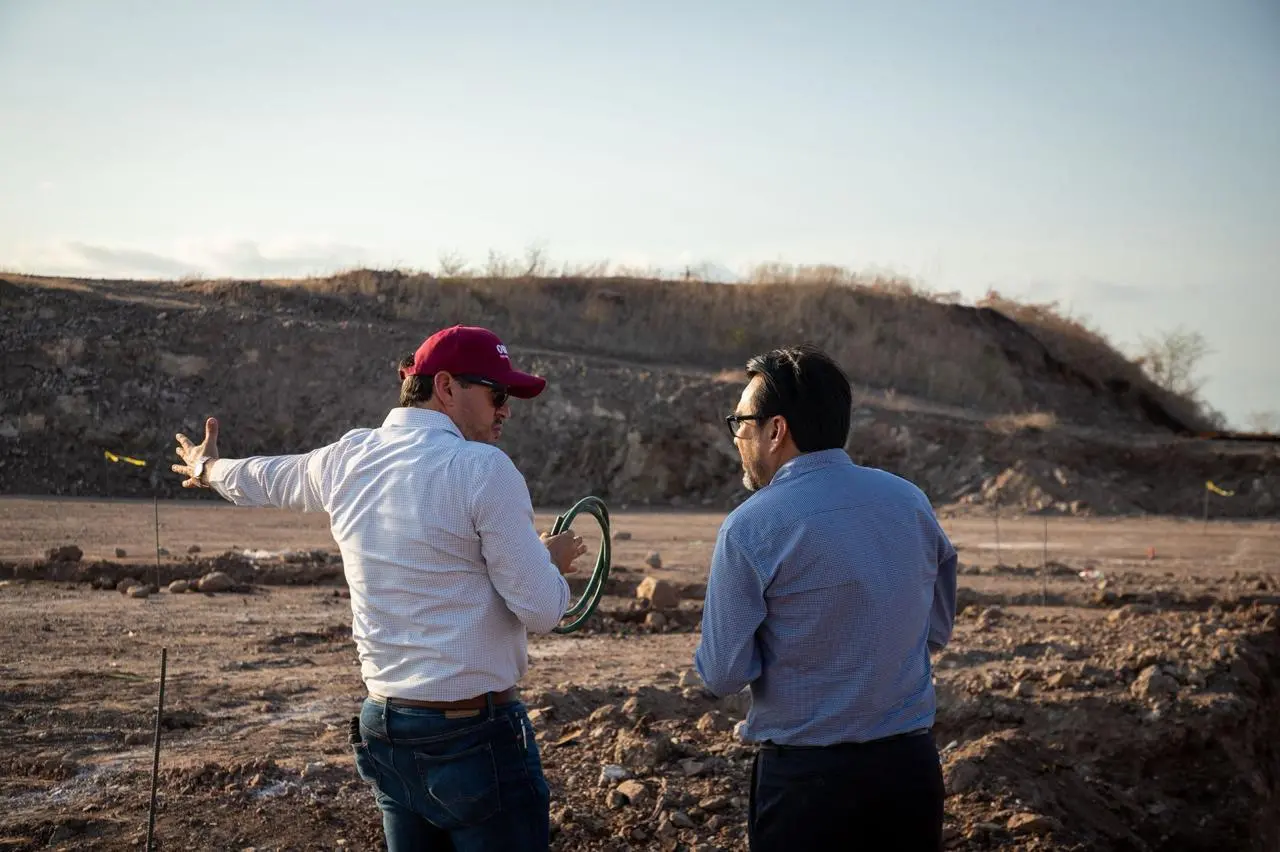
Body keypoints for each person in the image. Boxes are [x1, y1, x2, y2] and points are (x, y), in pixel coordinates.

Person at [171, 324, 586, 851]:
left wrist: (208, 468)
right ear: (447, 387)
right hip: (474, 738)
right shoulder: (483, 468)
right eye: (497, 394)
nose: (505, 409)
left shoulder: (348, 458)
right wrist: (548, 560)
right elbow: (543, 608)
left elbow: (261, 477)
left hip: (386, 730)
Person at [694, 344, 957, 851]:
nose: (738, 438)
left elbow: (723, 673)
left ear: (776, 430)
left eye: (741, 422)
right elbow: (936, 630)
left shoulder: (751, 525)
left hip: (807, 787)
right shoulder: (909, 500)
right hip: (910, 775)